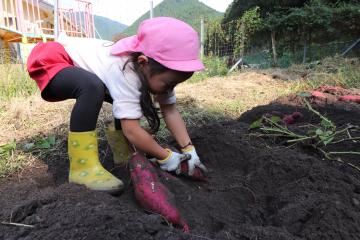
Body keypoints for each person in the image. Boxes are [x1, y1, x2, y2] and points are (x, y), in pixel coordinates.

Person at [27, 17, 207, 195]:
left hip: (74, 65)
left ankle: (124, 154)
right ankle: (84, 168)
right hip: (52, 58)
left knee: (123, 103)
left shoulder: (153, 68)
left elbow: (170, 111)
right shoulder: (125, 70)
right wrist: (166, 157)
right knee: (91, 87)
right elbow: (132, 130)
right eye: (168, 84)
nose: (170, 90)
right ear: (143, 63)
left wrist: (189, 149)